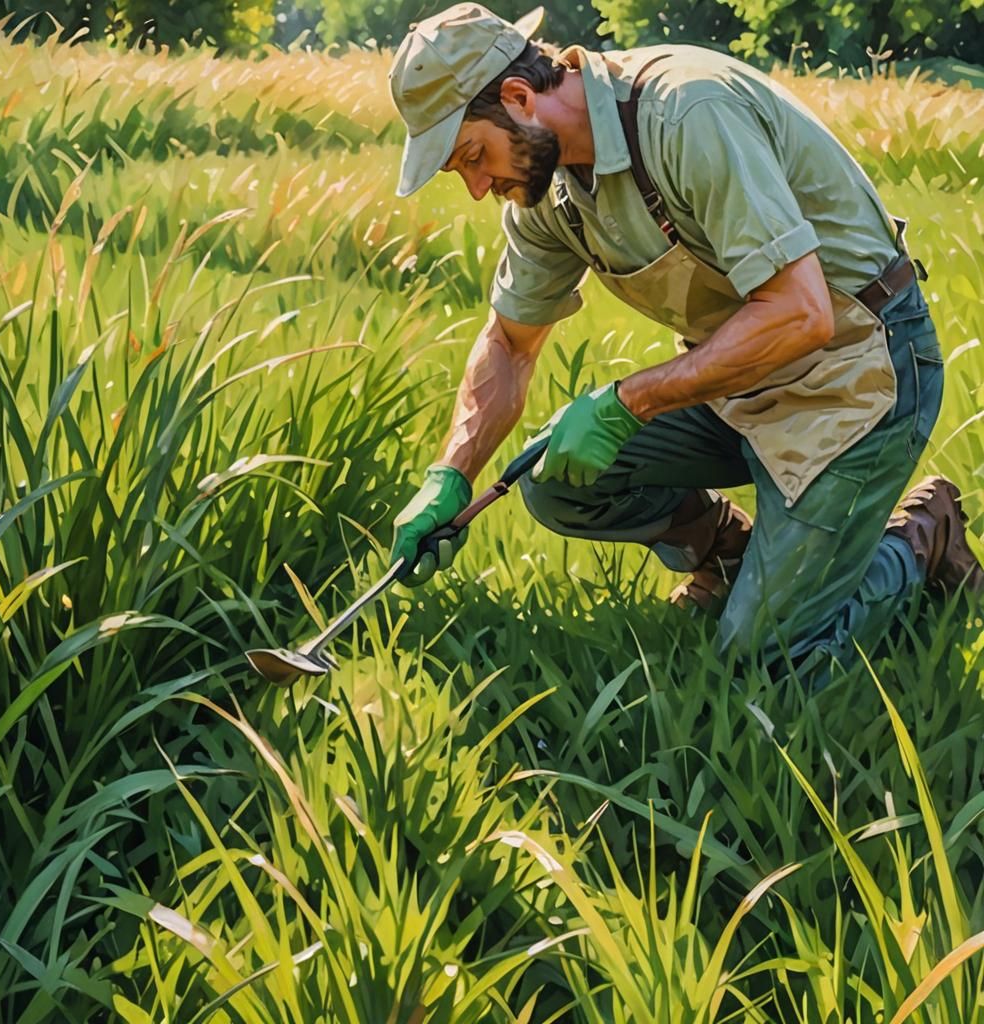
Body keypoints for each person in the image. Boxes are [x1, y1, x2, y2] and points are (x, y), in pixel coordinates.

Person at [385, 2, 983, 683]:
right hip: (740, 376)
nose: (475, 188)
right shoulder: (545, 190)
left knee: (766, 664)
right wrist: (451, 474)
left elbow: (802, 313)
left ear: (519, 98)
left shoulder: (685, 113)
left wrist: (628, 402)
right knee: (556, 481)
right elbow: (511, 341)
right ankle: (733, 561)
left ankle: (921, 541)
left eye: (472, 156)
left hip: (860, 369)